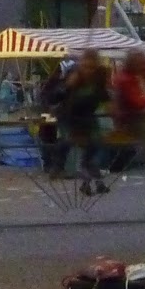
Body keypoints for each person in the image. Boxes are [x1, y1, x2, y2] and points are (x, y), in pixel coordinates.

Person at [60, 51, 110, 195]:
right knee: (88, 151)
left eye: (92, 66)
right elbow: (59, 94)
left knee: (92, 150)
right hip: (72, 118)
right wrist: (68, 85)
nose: (89, 69)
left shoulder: (98, 78)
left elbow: (104, 95)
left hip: (88, 118)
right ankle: (91, 181)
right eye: (87, 66)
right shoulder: (74, 75)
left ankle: (90, 182)